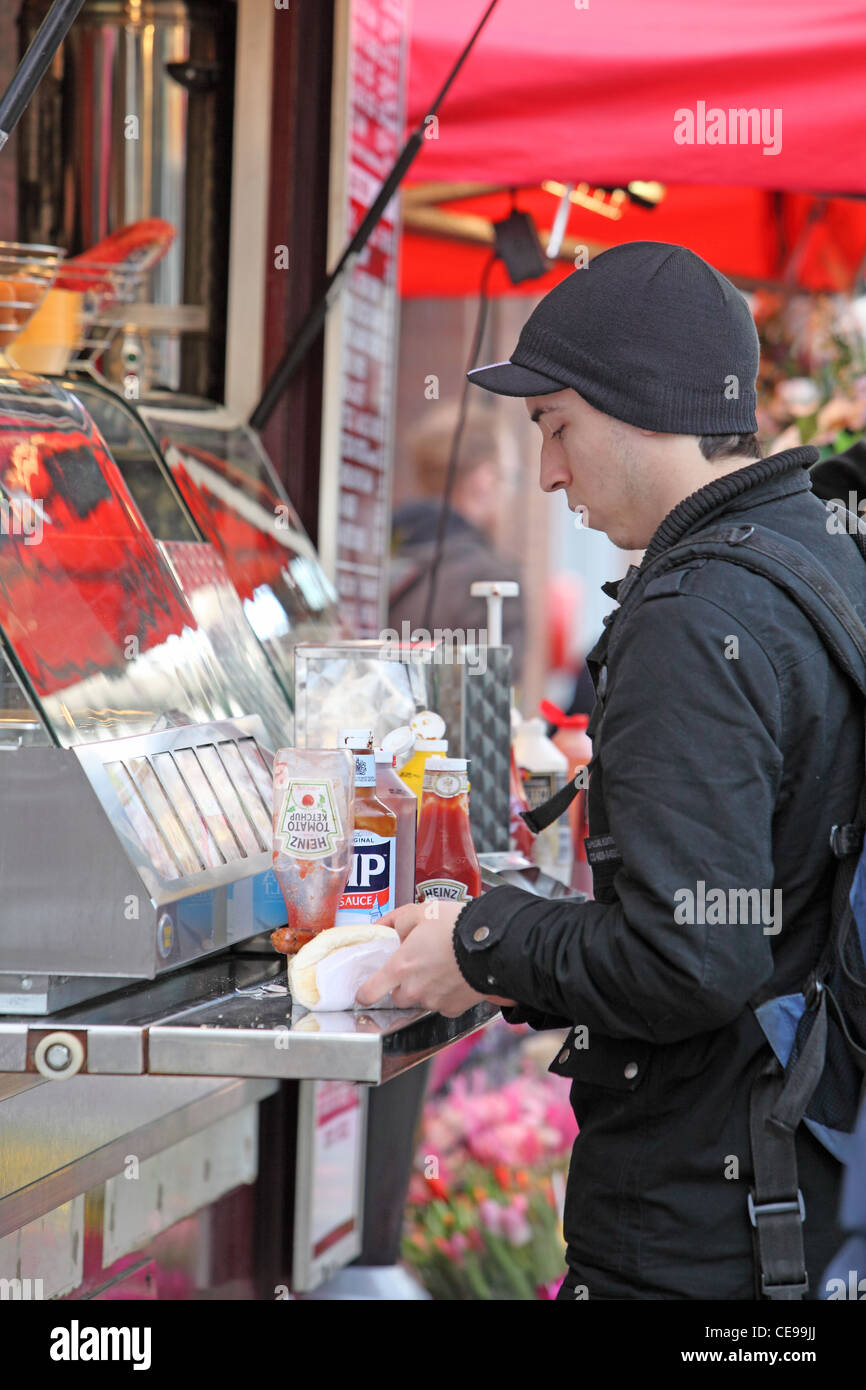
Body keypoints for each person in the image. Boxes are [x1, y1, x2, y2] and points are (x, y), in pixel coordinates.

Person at [358, 241, 866, 1300]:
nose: (547, 472)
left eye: (555, 426)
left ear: (639, 403)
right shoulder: (820, 547)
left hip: (703, 1231)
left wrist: (480, 943)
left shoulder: (692, 615)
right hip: (799, 1185)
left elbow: (690, 958)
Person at [388, 402, 526, 681]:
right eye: (511, 477)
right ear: (485, 480)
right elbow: (496, 693)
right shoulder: (495, 581)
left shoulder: (373, 558)